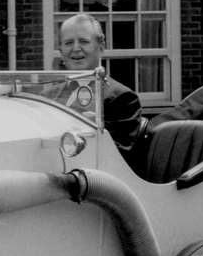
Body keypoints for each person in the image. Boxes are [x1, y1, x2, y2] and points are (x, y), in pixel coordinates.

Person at [55, 13, 142, 152]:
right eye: (68, 43)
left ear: (101, 46)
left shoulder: (122, 98)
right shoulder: (48, 95)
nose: (76, 48)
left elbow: (119, 156)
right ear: (61, 51)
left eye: (84, 41)